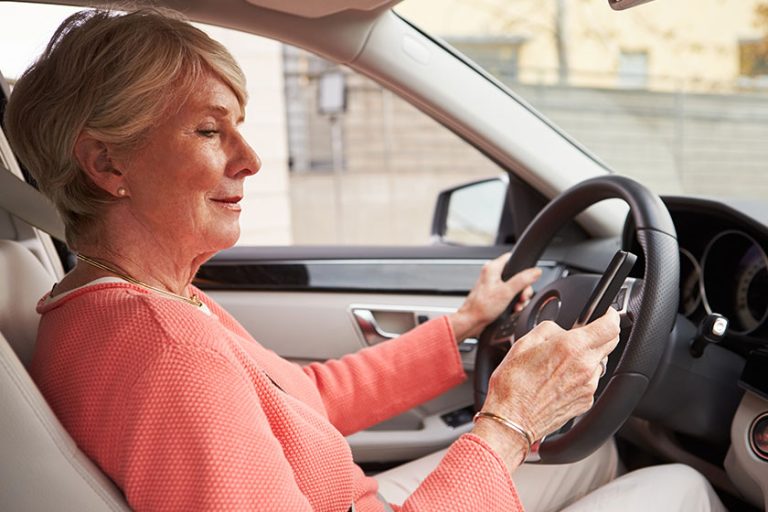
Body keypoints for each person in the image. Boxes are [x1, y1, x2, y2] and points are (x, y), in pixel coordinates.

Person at [4, 8, 725, 512]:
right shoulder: (164, 347)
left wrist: (464, 327)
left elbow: (304, 401)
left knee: (592, 455)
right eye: (208, 131)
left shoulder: (129, 299)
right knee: (684, 491)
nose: (250, 160)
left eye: (241, 129)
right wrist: (508, 422)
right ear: (106, 163)